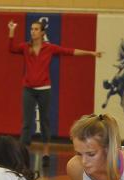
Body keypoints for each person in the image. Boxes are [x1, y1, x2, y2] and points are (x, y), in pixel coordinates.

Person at [8, 20, 102, 163]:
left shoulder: (49, 48)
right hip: (28, 89)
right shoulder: (26, 48)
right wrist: (11, 31)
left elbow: (70, 51)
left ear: (42, 32)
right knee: (26, 122)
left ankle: (46, 152)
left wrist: (91, 53)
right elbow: (11, 48)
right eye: (31, 29)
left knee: (45, 121)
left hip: (44, 89)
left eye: (36, 29)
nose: (33, 31)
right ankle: (23, 153)